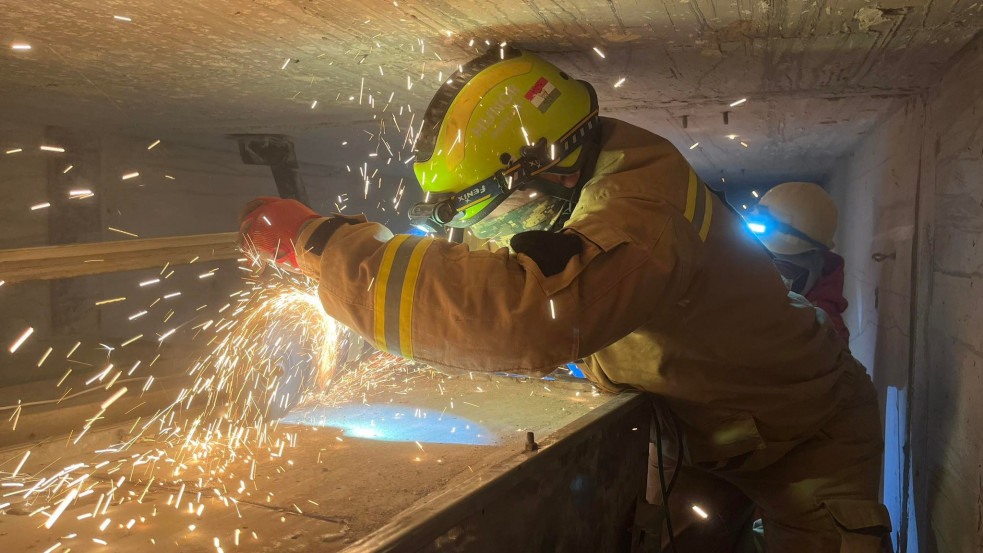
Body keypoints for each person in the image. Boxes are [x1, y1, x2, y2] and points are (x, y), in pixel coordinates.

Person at [240, 46, 890, 551]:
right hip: (702, 435)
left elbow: (526, 316)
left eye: (494, 210)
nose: (486, 232)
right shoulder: (571, 168)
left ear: (547, 167)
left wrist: (320, 244)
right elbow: (508, 264)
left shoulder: (639, 215)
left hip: (807, 438)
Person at [746, 182, 851, 344]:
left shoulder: (824, 333)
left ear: (813, 260)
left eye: (781, 266)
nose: (765, 274)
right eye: (760, 260)